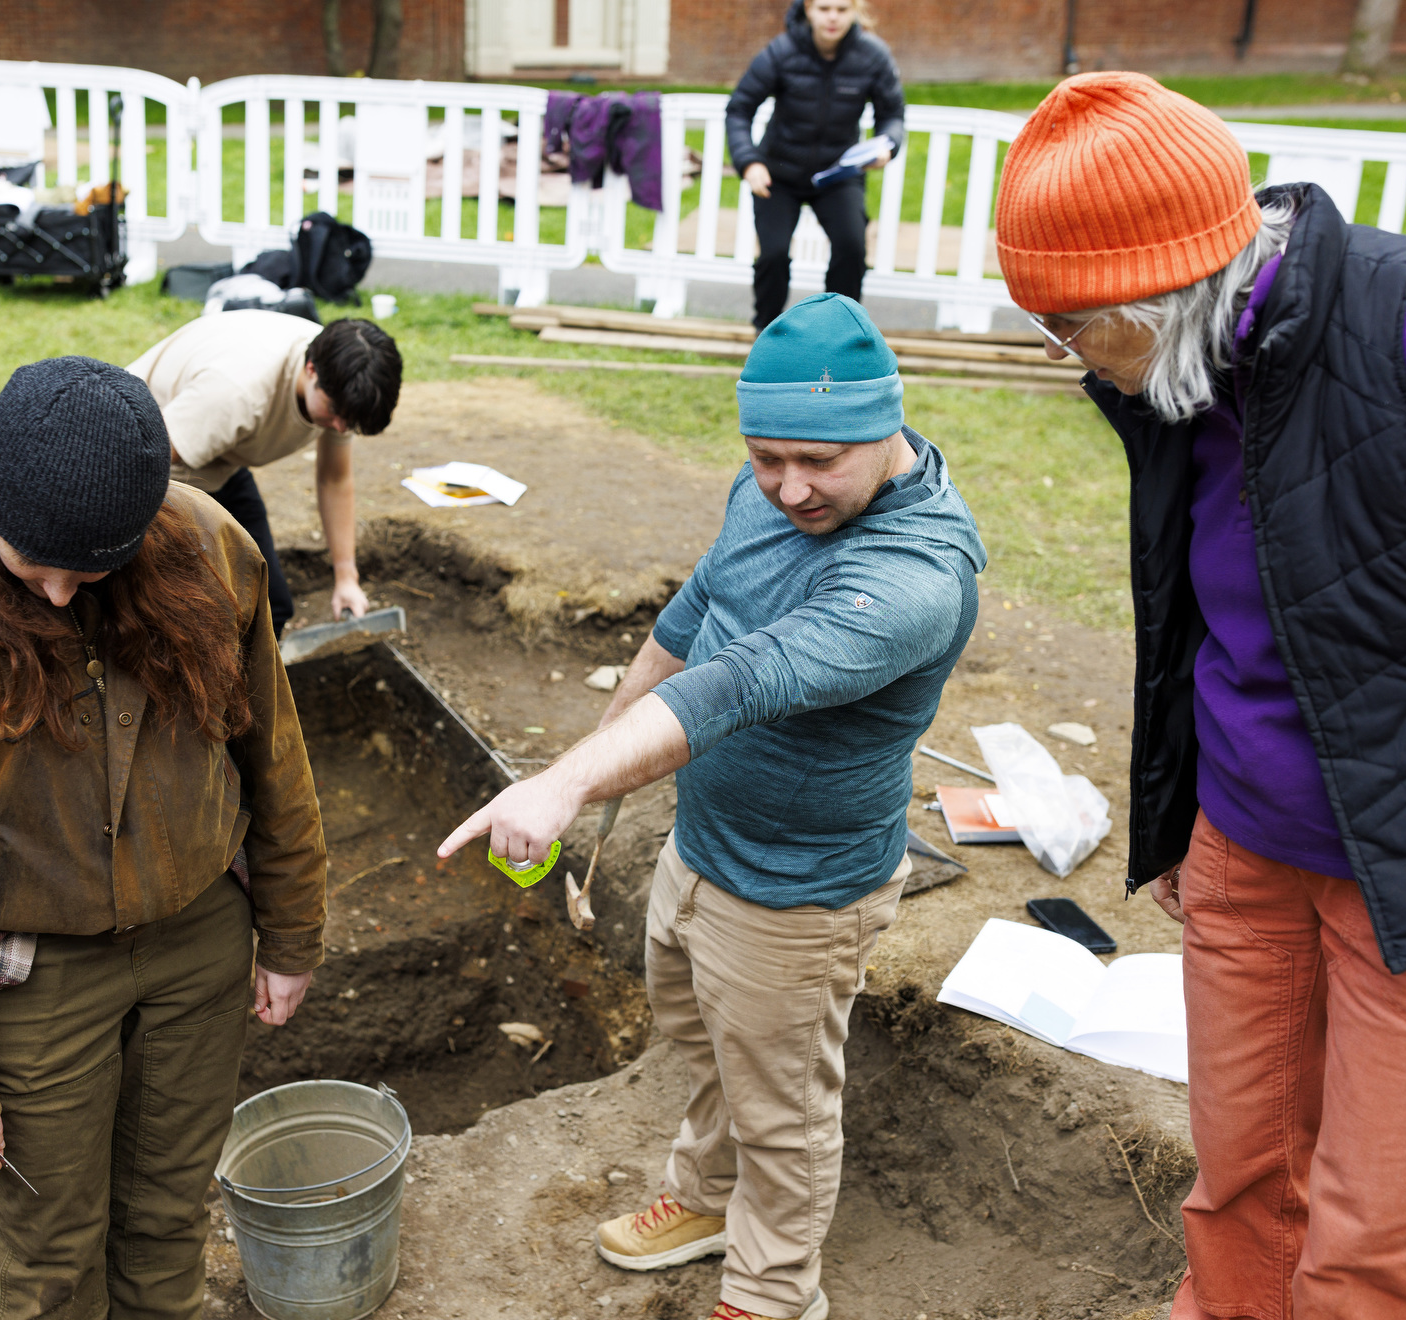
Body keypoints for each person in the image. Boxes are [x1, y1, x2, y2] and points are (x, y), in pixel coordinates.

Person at [994, 72, 1406, 1320]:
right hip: (1249, 852)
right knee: (1243, 1192)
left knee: (1372, 1253)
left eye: (1074, 328)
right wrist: (1192, 815)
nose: (1065, 357)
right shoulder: (1179, 367)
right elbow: (1206, 606)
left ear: (1171, 285)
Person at [439, 294, 986, 1320]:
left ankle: (773, 1290)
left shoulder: (913, 576)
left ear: (888, 428)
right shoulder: (771, 490)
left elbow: (742, 679)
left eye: (818, 463)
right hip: (704, 849)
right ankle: (706, 1198)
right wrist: (591, 753)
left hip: (799, 892)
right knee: (703, 1046)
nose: (787, 487)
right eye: (765, 456)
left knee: (783, 1108)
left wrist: (564, 784)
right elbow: (697, 618)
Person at [0, 357, 327, 1319]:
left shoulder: (211, 551)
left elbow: (275, 747)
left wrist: (293, 929)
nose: (57, 593)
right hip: (34, 977)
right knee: (51, 1257)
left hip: (199, 946)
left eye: (90, 567)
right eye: (31, 562)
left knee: (170, 1218)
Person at [126, 310, 403, 636]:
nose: (341, 428)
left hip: (220, 462)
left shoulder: (344, 376)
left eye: (350, 421)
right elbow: (142, 465)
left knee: (270, 605)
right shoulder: (238, 392)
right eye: (335, 413)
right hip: (150, 461)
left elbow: (335, 479)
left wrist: (346, 577)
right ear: (311, 370)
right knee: (187, 613)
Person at [727, 0, 904, 330]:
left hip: (838, 176)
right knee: (773, 254)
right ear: (807, 9)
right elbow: (739, 109)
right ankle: (767, 332)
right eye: (824, 8)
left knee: (851, 249)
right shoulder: (781, 51)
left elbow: (892, 115)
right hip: (778, 175)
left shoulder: (873, 56)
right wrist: (749, 163)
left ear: (854, 11)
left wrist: (888, 145)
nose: (833, 17)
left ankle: (838, 335)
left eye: (841, 8)